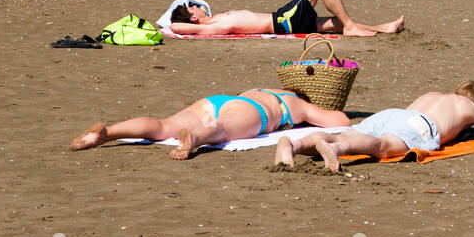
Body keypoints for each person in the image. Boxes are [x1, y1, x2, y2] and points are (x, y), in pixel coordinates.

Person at [274, 80, 474, 173]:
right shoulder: (471, 108)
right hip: (419, 124)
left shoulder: (432, 94)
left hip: (396, 114)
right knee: (383, 147)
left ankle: (293, 146)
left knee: (346, 132)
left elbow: (404, 117)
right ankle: (338, 149)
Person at [71, 88, 350, 160]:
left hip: (219, 99)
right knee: (221, 129)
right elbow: (341, 122)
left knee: (162, 125)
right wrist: (307, 111)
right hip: (254, 111)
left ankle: (110, 132)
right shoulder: (295, 103)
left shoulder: (262, 88)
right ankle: (193, 140)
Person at [166, 0, 404, 38]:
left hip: (284, 21)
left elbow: (181, 23)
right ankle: (352, 27)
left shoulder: (214, 19)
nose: (196, 6)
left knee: (333, 24)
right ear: (193, 19)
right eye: (193, 8)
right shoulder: (211, 27)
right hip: (283, 21)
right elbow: (177, 26)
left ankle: (385, 28)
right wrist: (176, 22)